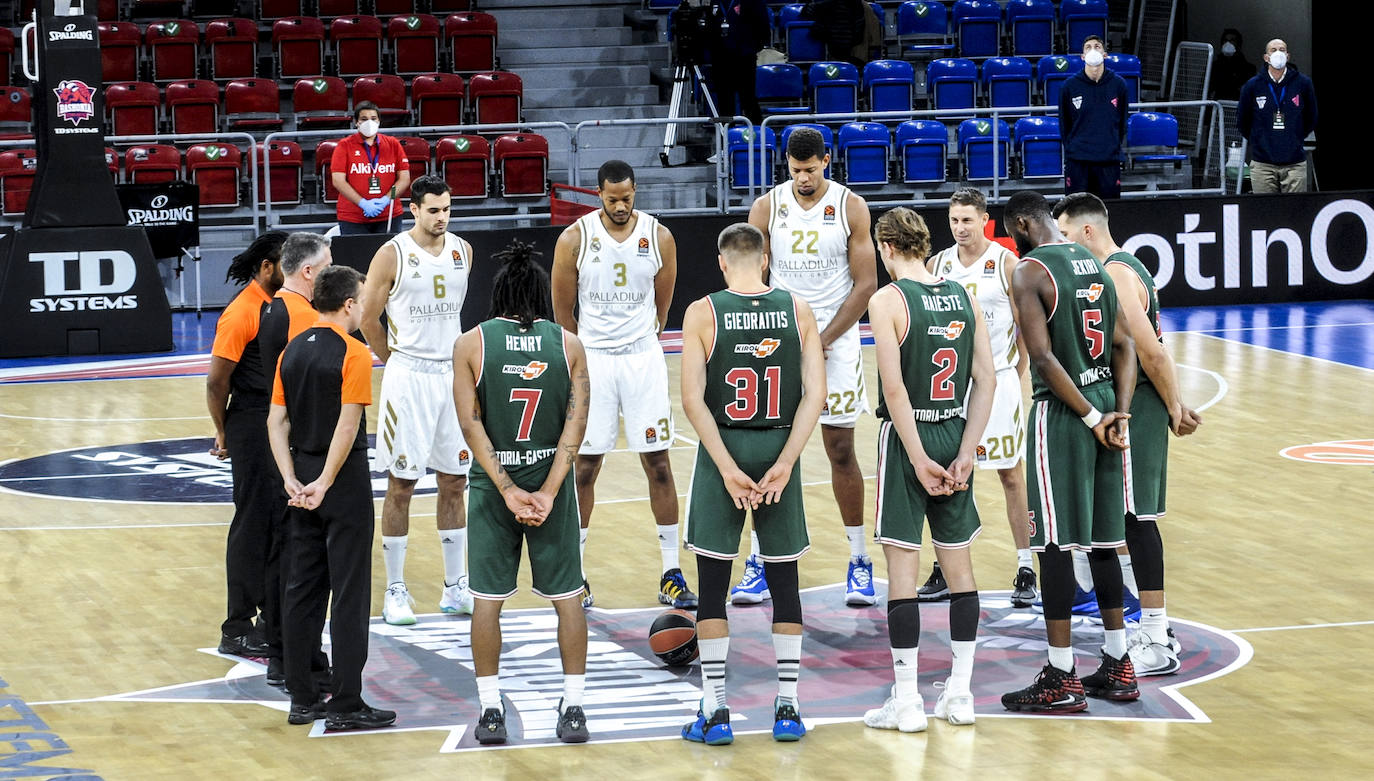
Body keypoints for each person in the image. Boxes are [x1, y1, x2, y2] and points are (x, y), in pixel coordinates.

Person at [678, 223, 826, 745]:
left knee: (713, 589)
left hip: (726, 449)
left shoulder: (702, 311)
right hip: (778, 444)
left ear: (722, 262)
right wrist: (786, 461)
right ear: (766, 261)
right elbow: (815, 395)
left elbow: (693, 401)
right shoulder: (797, 308)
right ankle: (787, 708)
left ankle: (715, 712)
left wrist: (724, 466)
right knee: (784, 585)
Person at [997, 190, 1140, 713]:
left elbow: (1042, 357)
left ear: (1019, 223)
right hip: (1107, 403)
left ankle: (1060, 675)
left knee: (1053, 545)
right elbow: (1125, 344)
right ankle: (1118, 662)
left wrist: (1088, 417)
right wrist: (1117, 412)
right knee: (1104, 542)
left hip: (1065, 414)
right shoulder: (1094, 261)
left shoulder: (1029, 271)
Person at [1053, 193, 1202, 676]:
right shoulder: (1124, 266)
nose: (1062, 243)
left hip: (1136, 408)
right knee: (1123, 519)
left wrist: (1175, 405)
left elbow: (1152, 350)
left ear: (1088, 232)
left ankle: (1157, 636)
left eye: (1066, 234)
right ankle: (1150, 626)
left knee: (1137, 520)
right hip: (1133, 406)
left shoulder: (1115, 273)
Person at [452, 240, 592, 746]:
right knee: (568, 599)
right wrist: (550, 491)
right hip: (550, 489)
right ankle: (573, 706)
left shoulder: (471, 343)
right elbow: (575, 426)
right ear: (538, 293)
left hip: (494, 490)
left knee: (487, 603)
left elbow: (471, 427)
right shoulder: (568, 344)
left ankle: (491, 711)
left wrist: (508, 488)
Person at [863, 208, 994, 733]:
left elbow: (894, 390)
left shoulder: (887, 299)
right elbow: (986, 380)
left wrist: (917, 458)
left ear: (887, 248)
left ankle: (908, 701)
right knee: (960, 569)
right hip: (955, 430)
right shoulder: (963, 296)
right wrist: (967, 450)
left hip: (907, 438)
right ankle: (960, 695)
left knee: (903, 574)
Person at [551, 160, 694, 611]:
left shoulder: (660, 236)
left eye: (627, 198)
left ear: (636, 192)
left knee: (659, 463)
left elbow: (663, 304)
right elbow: (563, 313)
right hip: (594, 361)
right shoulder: (574, 238)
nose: (620, 205)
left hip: (641, 359)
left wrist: (641, 336)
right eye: (612, 199)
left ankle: (671, 571)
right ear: (598, 194)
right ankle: (575, 570)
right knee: (585, 467)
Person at [745, 126, 878, 607]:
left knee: (840, 449)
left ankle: (859, 560)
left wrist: (821, 339)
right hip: (781, 338)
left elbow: (865, 285)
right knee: (768, 451)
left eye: (810, 169)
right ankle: (759, 560)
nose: (803, 178)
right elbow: (748, 274)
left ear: (826, 161)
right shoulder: (766, 207)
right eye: (795, 170)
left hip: (835, 342)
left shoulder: (849, 206)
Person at [267, 264, 397, 731]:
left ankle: (302, 698)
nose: (364, 308)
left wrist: (291, 478)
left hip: (299, 478)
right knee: (349, 592)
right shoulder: (355, 352)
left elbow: (275, 423)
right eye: (361, 301)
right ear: (348, 305)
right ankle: (345, 701)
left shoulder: (292, 351)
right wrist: (324, 482)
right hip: (338, 484)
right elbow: (348, 425)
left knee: (301, 589)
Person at [359, 176, 475, 626]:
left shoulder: (464, 251)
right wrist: (394, 360)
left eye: (446, 209)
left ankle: (454, 586)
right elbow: (368, 318)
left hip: (451, 375)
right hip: (409, 375)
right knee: (401, 483)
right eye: (433, 210)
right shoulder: (392, 254)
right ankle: (395, 589)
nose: (441, 217)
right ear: (414, 210)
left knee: (454, 481)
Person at [916, 188, 1038, 609]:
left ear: (984, 218)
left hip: (999, 382)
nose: (959, 228)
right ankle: (944, 567)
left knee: (1010, 474)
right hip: (952, 387)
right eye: (953, 220)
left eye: (967, 220)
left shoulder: (1006, 263)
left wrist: (1017, 374)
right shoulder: (938, 265)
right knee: (948, 476)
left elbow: (1027, 325)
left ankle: (1026, 566)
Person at [256, 232, 335, 687]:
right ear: (309, 272)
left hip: (279, 443)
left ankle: (282, 652)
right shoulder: (301, 316)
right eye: (328, 264)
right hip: (296, 449)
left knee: (284, 556)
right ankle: (294, 659)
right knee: (300, 564)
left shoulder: (276, 307)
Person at [208, 231, 287, 662]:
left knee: (280, 523)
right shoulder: (242, 311)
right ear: (266, 267)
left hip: (277, 418)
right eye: (285, 264)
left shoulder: (285, 304)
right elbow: (217, 382)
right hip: (251, 420)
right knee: (253, 522)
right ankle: (236, 626)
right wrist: (223, 432)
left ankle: (268, 623)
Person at [1237, 39, 1317, 194]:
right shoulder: (1252, 86)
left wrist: (1296, 136)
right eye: (1273, 50)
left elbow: (1311, 117)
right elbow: (1243, 121)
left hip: (1295, 162)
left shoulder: (1303, 83)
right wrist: (1259, 140)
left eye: (1282, 49)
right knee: (1266, 213)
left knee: (1295, 212)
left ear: (1288, 56)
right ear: (1266, 57)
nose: (1278, 53)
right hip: (1262, 164)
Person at [1059, 35, 1130, 200]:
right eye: (1088, 47)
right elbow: (1065, 125)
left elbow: (1121, 123)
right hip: (1078, 162)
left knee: (1107, 212)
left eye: (1097, 46)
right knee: (1076, 212)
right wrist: (1074, 149)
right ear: (1082, 57)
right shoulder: (1068, 87)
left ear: (1105, 54)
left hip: (1108, 161)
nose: (1093, 50)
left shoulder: (1119, 85)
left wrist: (1111, 145)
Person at [331, 101, 411, 235]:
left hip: (389, 215)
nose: (369, 122)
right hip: (353, 217)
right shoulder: (344, 145)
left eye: (373, 119)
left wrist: (386, 199)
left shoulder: (393, 144)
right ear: (356, 122)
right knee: (357, 256)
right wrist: (362, 203)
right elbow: (338, 180)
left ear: (379, 121)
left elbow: (404, 179)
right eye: (364, 119)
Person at [709, 0, 768, 125]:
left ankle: (756, 135)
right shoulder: (715, 1)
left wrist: (751, 48)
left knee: (748, 98)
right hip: (721, 58)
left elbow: (763, 25)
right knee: (724, 99)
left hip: (744, 57)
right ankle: (727, 137)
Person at [1210, 28, 1254, 101]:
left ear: (1239, 44)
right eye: (1225, 40)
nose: (1228, 43)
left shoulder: (1248, 69)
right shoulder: (1213, 67)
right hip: (1217, 107)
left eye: (1232, 40)